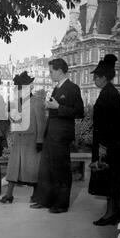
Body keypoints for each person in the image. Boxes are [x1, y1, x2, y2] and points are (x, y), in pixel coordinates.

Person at [31, 58, 84, 213]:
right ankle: (46, 200)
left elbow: (79, 112)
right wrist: (50, 107)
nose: (49, 74)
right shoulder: (56, 88)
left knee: (61, 170)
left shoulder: (72, 88)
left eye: (51, 71)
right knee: (47, 169)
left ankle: (61, 204)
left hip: (61, 136)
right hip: (51, 134)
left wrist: (58, 107)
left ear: (60, 70)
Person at [0, 71, 46, 204]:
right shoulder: (17, 103)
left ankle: (36, 195)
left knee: (33, 169)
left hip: (31, 141)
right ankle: (9, 195)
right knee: (13, 169)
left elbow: (41, 123)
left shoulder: (36, 102)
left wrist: (40, 140)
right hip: (19, 140)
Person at [89, 54, 120, 226]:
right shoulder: (110, 92)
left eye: (96, 77)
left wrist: (103, 146)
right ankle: (115, 212)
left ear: (104, 77)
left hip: (107, 144)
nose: (94, 80)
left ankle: (110, 214)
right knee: (112, 180)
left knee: (108, 180)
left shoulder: (108, 94)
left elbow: (109, 124)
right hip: (110, 143)